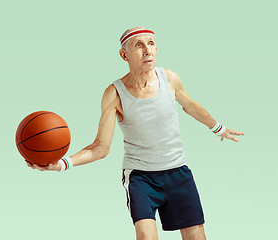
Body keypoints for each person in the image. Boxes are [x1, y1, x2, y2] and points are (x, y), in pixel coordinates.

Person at [27, 26, 244, 240]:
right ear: (124, 55)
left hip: (178, 172)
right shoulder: (114, 94)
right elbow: (101, 147)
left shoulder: (170, 79)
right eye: (138, 45)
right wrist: (63, 164)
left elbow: (190, 105)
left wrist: (219, 128)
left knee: (197, 237)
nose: (147, 50)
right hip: (141, 178)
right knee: (146, 236)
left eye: (151, 44)